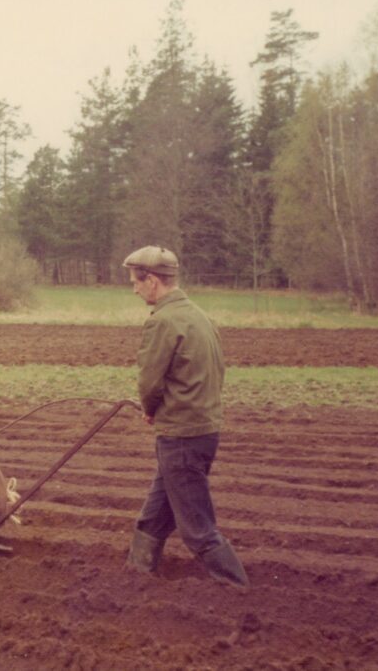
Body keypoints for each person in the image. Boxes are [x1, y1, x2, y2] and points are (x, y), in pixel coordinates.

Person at [123, 245, 248, 586]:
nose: (134, 289)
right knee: (156, 513)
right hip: (203, 428)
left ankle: (236, 587)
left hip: (182, 435)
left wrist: (150, 410)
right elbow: (215, 372)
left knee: (197, 528)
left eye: (135, 281)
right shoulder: (198, 315)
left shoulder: (163, 321)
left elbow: (150, 381)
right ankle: (137, 573)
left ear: (151, 281)